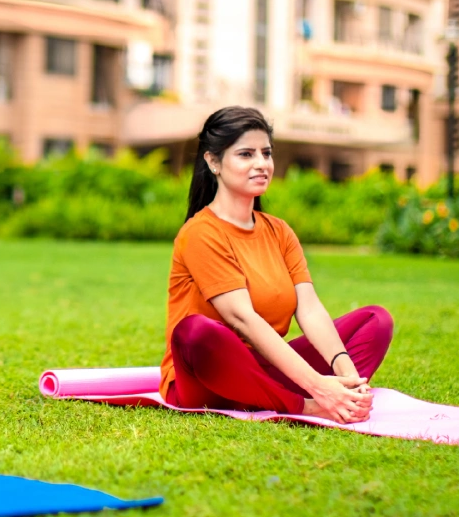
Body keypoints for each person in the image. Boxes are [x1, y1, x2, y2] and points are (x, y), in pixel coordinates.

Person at [161, 106, 392, 424]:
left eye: (266, 153)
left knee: (375, 321)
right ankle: (306, 405)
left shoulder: (279, 231)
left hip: (262, 371)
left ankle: (330, 394)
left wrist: (349, 378)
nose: (261, 163)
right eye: (246, 154)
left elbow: (309, 309)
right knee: (195, 333)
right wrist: (318, 389)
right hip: (206, 379)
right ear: (213, 162)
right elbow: (242, 319)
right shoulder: (201, 232)